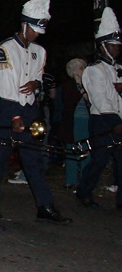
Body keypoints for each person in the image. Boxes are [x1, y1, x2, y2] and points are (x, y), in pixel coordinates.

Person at [0, 0, 70, 224]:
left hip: (30, 108)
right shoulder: (4, 48)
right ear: (24, 24)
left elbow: (37, 76)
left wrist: (36, 83)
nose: (36, 35)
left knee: (33, 158)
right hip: (9, 107)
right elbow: (6, 84)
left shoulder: (40, 51)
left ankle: (45, 205)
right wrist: (15, 117)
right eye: (34, 30)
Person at [75, 8, 122, 209]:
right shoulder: (94, 71)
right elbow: (101, 101)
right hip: (103, 121)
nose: (116, 49)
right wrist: (116, 123)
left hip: (117, 120)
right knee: (100, 160)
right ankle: (84, 191)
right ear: (102, 47)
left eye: (118, 46)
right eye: (112, 45)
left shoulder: (118, 70)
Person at [56, 58, 90, 189]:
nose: (83, 70)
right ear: (74, 70)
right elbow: (69, 102)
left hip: (86, 120)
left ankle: (85, 180)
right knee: (71, 150)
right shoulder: (68, 85)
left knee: (85, 150)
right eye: (81, 68)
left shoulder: (88, 83)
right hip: (73, 121)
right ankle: (71, 180)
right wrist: (78, 84)